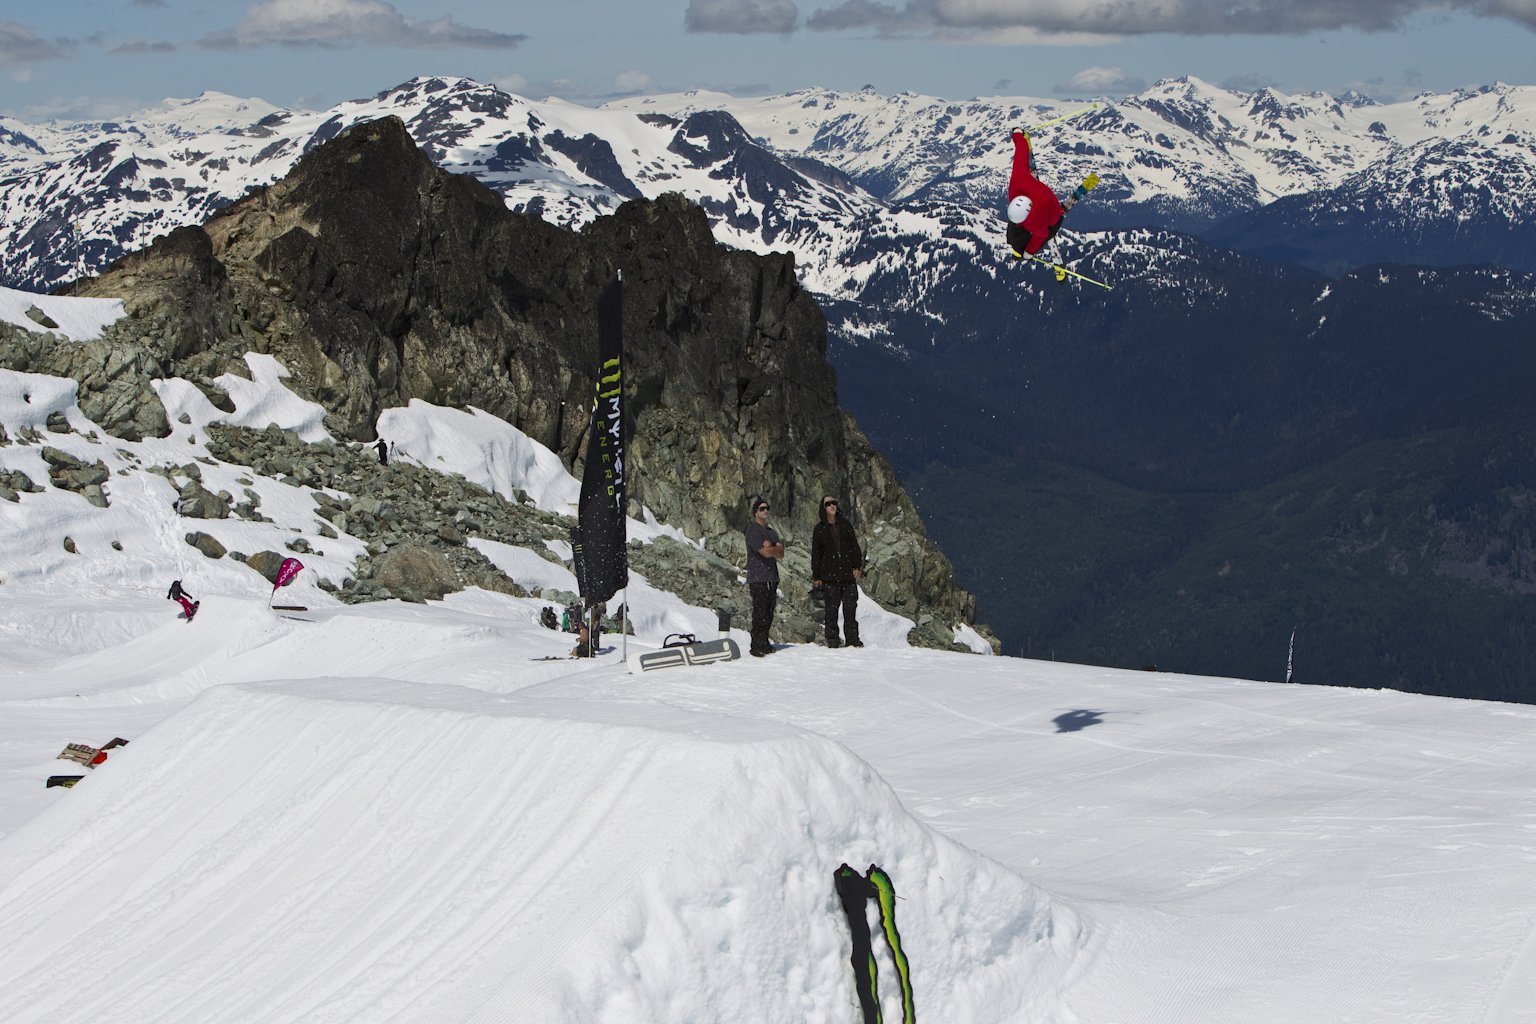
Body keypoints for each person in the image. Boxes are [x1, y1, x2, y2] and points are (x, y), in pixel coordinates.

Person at [812, 496, 864, 648]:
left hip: (848, 576)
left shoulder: (845, 525)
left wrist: (857, 566)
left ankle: (852, 639)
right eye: (828, 504)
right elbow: (816, 554)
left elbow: (855, 547)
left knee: (850, 610)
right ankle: (833, 640)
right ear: (823, 508)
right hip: (830, 578)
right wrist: (817, 576)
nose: (832, 506)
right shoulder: (819, 529)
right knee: (831, 611)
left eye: (834, 503)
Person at [744, 495, 785, 657]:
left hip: (771, 578)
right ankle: (756, 645)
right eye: (762, 508)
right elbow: (766, 552)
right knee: (760, 612)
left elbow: (780, 554)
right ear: (755, 512)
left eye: (767, 508)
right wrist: (773, 548)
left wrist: (773, 548)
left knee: (768, 612)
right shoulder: (753, 530)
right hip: (758, 578)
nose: (765, 511)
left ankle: (765, 643)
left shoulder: (770, 532)